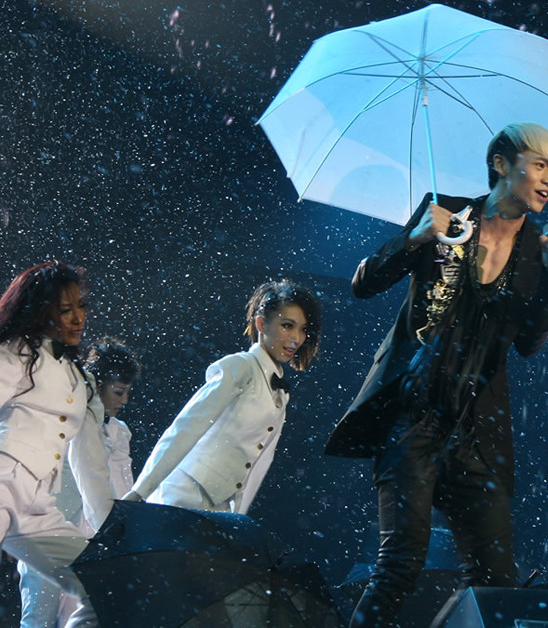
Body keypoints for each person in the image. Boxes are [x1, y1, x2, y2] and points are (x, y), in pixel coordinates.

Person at [324, 122, 548, 627]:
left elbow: (529, 345)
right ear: (501, 164)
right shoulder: (448, 214)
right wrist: (416, 236)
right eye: (540, 164)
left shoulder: (537, 248)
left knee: (495, 580)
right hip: (413, 414)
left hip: (478, 432)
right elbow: (363, 284)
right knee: (399, 566)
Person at [125, 279, 321, 514]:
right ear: (261, 323)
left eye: (303, 329)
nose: (296, 338)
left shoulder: (280, 392)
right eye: (287, 325)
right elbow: (186, 426)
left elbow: (259, 464)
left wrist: (237, 514)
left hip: (220, 508)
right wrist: (141, 491)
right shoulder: (241, 367)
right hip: (184, 494)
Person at [0, 261, 111, 627]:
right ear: (40, 311)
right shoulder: (18, 353)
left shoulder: (77, 376)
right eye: (66, 309)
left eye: (82, 306)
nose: (78, 318)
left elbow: (89, 461)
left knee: (106, 588)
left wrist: (111, 523)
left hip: (38, 506)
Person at [18, 337, 141, 627]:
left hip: (89, 538)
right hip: (47, 530)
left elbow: (123, 483)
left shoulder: (118, 433)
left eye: (127, 392)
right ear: (97, 386)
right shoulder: (65, 419)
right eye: (118, 392)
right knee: (39, 618)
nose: (124, 400)